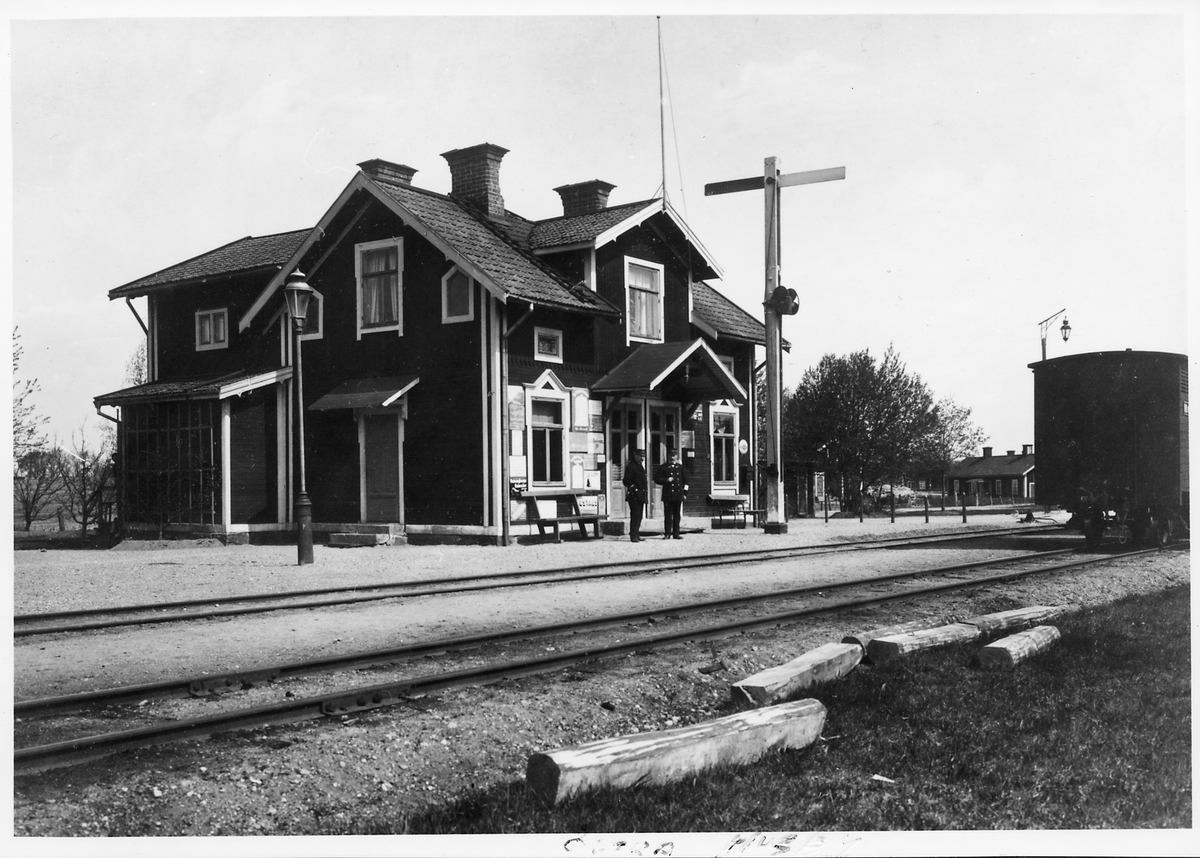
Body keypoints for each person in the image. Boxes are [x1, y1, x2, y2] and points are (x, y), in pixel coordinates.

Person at [654, 448, 688, 539]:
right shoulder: (663, 467)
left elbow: (686, 482)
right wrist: (666, 480)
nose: (672, 458)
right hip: (668, 495)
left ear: (677, 457)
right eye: (671, 456)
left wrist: (685, 493)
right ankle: (667, 533)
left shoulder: (681, 468)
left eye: (674, 456)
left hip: (678, 495)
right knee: (668, 515)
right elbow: (656, 479)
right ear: (668, 456)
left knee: (677, 515)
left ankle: (676, 533)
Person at [622, 448, 647, 542]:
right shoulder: (631, 467)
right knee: (635, 515)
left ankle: (637, 533)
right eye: (640, 456)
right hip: (634, 496)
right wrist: (634, 489)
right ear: (635, 456)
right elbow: (626, 481)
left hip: (641, 495)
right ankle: (633, 535)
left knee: (639, 516)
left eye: (643, 456)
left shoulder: (640, 467)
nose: (642, 458)